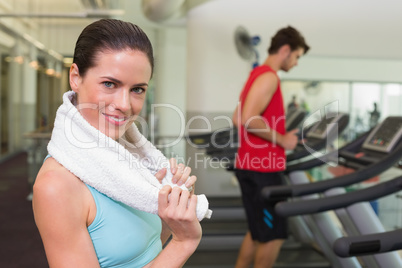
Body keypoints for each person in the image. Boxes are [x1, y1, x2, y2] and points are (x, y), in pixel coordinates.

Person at [32, 19, 202, 268]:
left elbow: (148, 246)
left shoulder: (127, 164)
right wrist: (183, 243)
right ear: (76, 77)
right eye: (109, 84)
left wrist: (172, 211)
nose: (125, 104)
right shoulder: (56, 186)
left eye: (137, 89)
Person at [232, 26, 310, 268]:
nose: (296, 63)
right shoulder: (269, 77)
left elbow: (237, 117)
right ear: (285, 50)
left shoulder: (256, 75)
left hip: (250, 165)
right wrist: (283, 139)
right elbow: (247, 119)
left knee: (257, 233)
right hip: (263, 170)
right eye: (296, 56)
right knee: (272, 236)